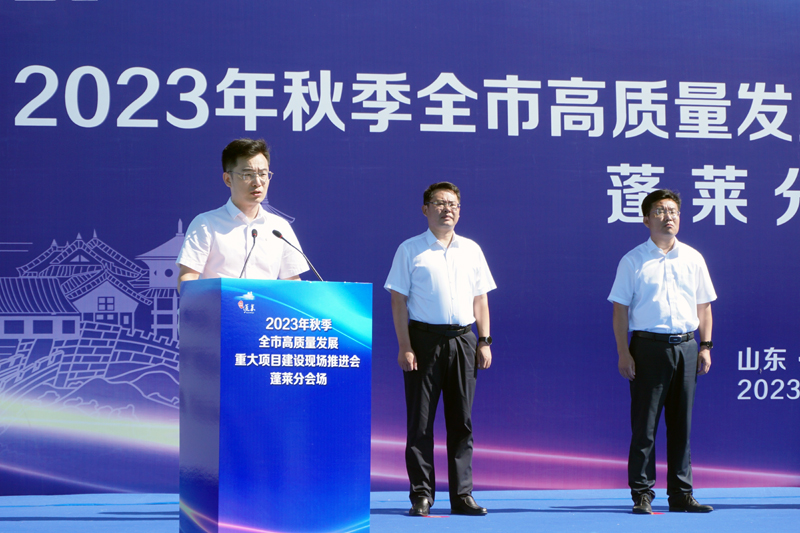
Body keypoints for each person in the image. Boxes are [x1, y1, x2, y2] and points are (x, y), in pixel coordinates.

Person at [385, 182, 496, 517]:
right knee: (420, 422)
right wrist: (405, 346)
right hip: (423, 341)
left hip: (464, 340)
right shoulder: (410, 249)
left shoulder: (471, 249)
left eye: (453, 204)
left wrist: (484, 340)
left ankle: (462, 496)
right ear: (425, 209)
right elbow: (398, 301)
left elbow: (480, 298)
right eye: (439, 203)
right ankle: (421, 495)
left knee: (462, 421)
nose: (447, 209)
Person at [609, 189, 716, 515]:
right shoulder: (633, 260)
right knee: (645, 426)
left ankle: (681, 494)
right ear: (646, 219)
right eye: (659, 211)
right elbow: (620, 310)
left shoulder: (693, 258)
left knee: (682, 425)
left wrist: (705, 346)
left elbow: (704, 306)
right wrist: (624, 352)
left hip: (686, 347)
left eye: (673, 211)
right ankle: (642, 493)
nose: (668, 217)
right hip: (648, 348)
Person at [176, 138, 308, 291]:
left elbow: (293, 281)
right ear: (228, 179)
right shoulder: (206, 224)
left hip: (264, 306)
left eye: (263, 174)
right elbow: (188, 277)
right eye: (247, 175)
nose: (257, 182)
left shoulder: (279, 227)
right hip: (220, 306)